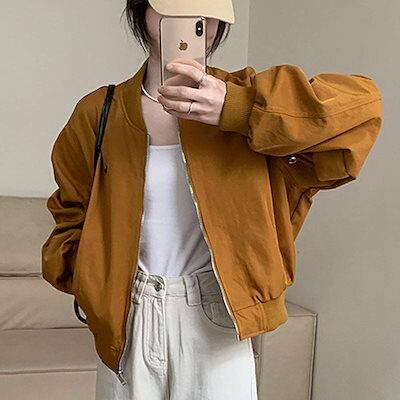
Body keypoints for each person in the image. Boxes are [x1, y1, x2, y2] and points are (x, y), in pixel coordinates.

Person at [41, 0, 383, 399]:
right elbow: (71, 211)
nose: (189, 16)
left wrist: (237, 110)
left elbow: (363, 108)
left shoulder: (251, 100)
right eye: (171, 6)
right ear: (141, 9)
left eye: (204, 11)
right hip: (127, 315)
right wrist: (96, 285)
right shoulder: (99, 113)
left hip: (216, 314)